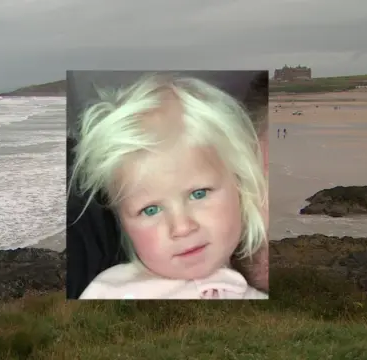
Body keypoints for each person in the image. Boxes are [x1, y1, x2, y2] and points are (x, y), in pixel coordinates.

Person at [68, 74, 268, 299]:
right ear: (122, 222)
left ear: (240, 184)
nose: (182, 227)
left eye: (198, 194)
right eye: (151, 210)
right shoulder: (109, 292)